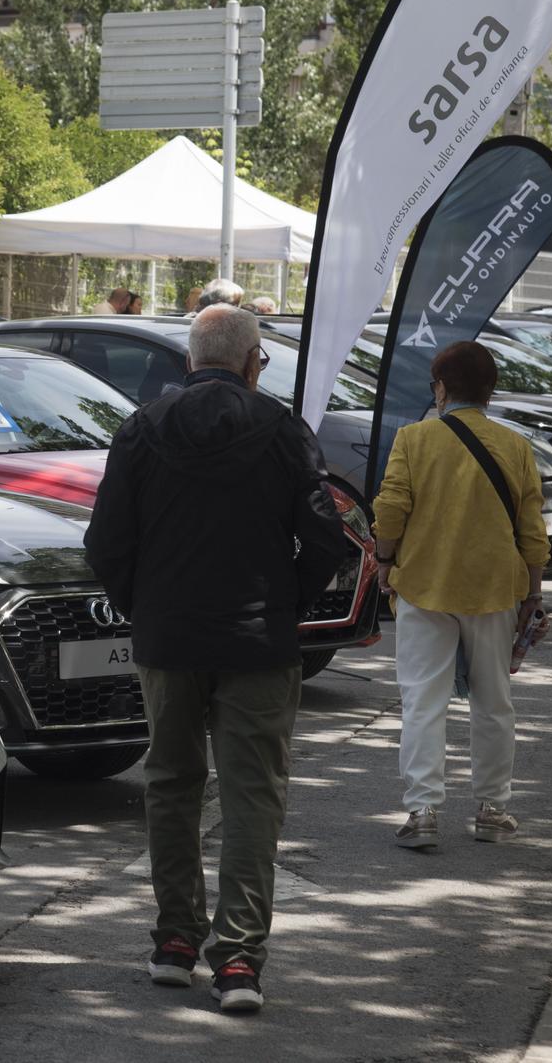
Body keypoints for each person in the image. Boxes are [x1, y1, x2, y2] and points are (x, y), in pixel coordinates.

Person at [85, 304, 348, 1013]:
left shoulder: (140, 429)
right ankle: (237, 960)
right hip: (259, 642)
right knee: (251, 794)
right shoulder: (284, 431)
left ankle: (174, 941)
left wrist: (143, 603)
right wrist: (286, 603)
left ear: (188, 360)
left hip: (168, 639)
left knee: (170, 784)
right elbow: (326, 537)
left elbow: (107, 540)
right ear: (254, 359)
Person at [371, 340, 549, 850]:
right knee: (494, 702)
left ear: (442, 389)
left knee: (423, 700)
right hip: (496, 589)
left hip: (425, 586)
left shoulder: (414, 438)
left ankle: (423, 810)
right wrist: (533, 596)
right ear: (490, 392)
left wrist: (385, 564)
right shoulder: (515, 446)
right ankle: (493, 809)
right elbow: (532, 532)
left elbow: (391, 510)